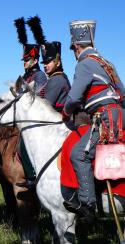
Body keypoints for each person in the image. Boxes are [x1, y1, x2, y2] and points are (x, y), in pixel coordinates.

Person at [62, 20, 125, 222]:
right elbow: (122, 94)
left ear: (77, 47)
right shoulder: (107, 63)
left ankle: (87, 205)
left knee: (79, 154)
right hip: (119, 115)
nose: (74, 53)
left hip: (104, 117)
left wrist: (65, 113)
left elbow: (73, 98)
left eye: (73, 49)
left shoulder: (85, 63)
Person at [14, 16, 47, 188]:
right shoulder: (25, 76)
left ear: (34, 60)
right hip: (23, 115)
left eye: (27, 60)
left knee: (23, 144)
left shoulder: (39, 75)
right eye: (24, 60)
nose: (25, 62)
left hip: (36, 116)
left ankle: (33, 176)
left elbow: (40, 97)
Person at [41, 42, 71, 112]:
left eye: (48, 62)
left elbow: (45, 106)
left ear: (57, 63)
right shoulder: (59, 76)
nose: (45, 65)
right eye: (44, 63)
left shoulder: (56, 79)